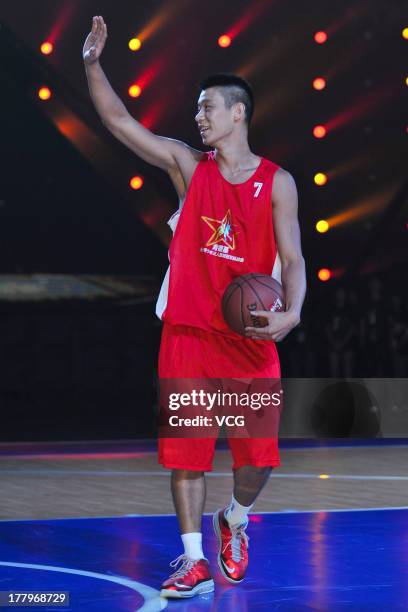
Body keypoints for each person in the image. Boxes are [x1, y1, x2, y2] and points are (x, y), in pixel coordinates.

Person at [83, 16, 306, 599]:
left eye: (208, 107)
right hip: (187, 332)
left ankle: (235, 516)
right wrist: (91, 65)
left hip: (250, 336)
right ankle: (192, 559)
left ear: (239, 113)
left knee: (257, 460)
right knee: (187, 454)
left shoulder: (278, 183)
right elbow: (119, 122)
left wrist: (294, 311)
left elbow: (295, 260)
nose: (198, 116)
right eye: (197, 109)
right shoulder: (188, 166)